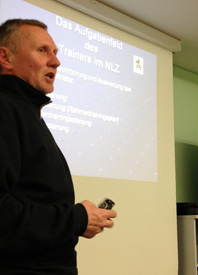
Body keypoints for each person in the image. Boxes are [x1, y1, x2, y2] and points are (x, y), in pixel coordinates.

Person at [0, 19, 117, 274]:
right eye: (42, 51)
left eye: (55, 53)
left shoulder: (26, 113)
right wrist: (76, 219)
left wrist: (77, 222)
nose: (56, 61)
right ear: (5, 58)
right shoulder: (5, 109)